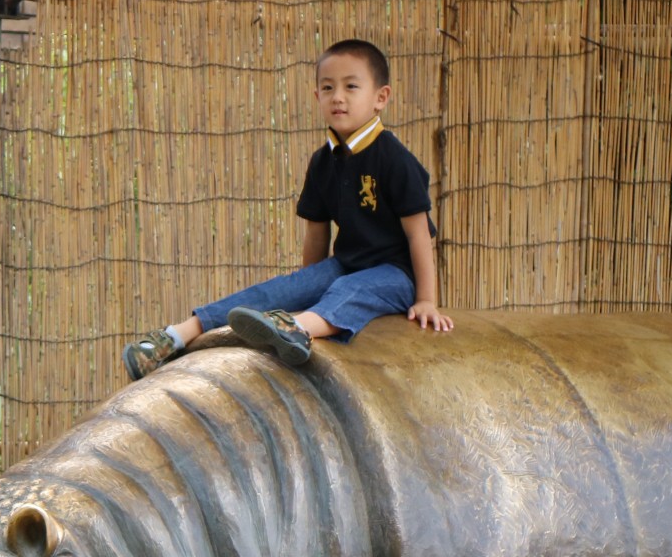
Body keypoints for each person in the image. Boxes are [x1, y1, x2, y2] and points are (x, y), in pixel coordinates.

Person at [123, 39, 452, 375]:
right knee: (281, 289)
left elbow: (418, 234)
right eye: (328, 88)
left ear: (380, 97)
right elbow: (316, 233)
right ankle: (176, 336)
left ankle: (296, 327)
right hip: (346, 263)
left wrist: (426, 299)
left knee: (349, 290)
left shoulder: (395, 159)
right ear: (317, 96)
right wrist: (305, 286)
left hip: (394, 274)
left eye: (351, 86)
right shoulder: (322, 161)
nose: (338, 96)